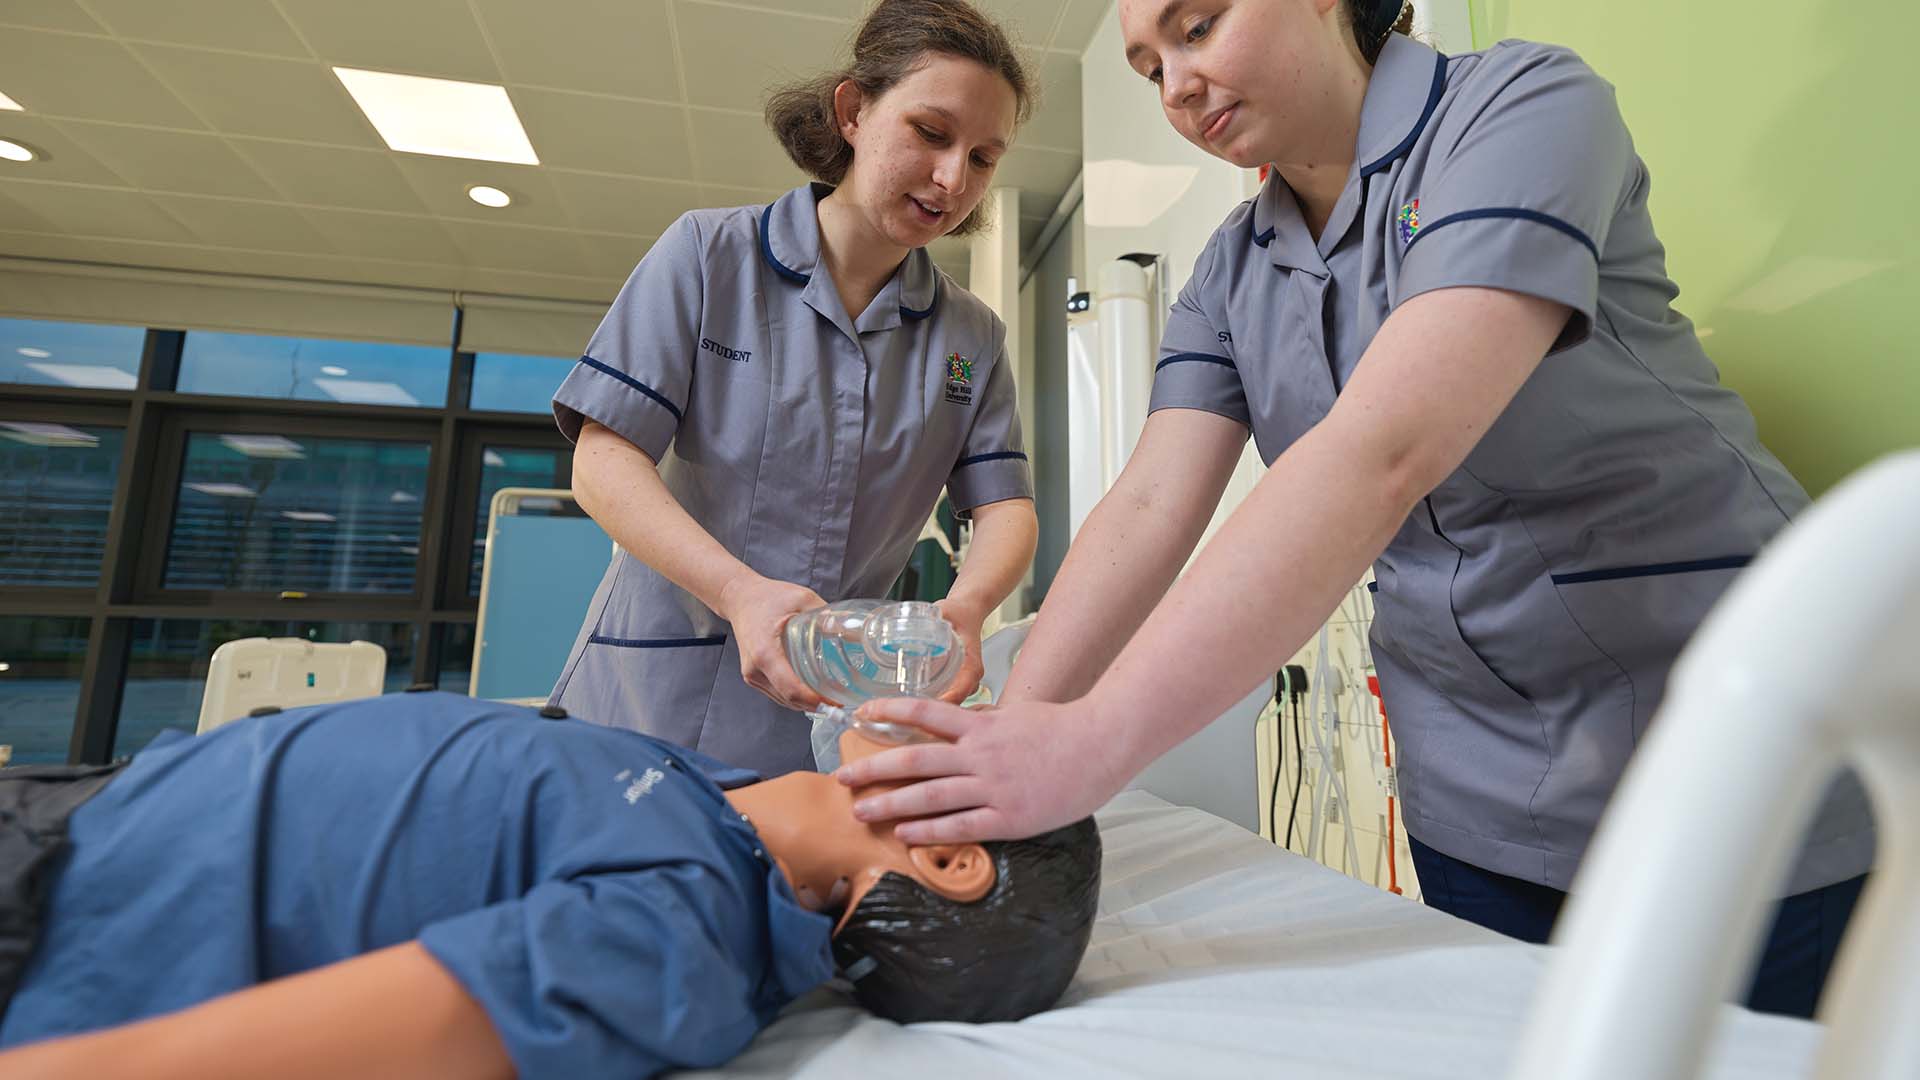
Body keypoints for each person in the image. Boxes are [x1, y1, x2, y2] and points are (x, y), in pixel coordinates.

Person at [835, 0, 1874, 1017]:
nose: (1179, 86)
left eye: (1197, 27)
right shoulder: (1230, 273)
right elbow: (1151, 500)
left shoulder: (1520, 105)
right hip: (1471, 784)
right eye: (1152, 68)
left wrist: (1097, 742)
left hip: (1713, 731)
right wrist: (1010, 745)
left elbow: (1388, 446)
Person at [0, 693, 1100, 1076]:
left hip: (56, 907)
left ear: (951, 857)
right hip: (94, 805)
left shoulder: (688, 932)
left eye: (986, 743)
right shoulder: (711, 807)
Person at [549, 0, 1040, 777]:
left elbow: (1005, 507)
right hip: (652, 690)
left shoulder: (970, 338)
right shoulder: (710, 256)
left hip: (825, 705)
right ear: (852, 111)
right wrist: (738, 593)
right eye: (931, 133)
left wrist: (966, 611)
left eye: (983, 158)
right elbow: (603, 462)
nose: (953, 178)